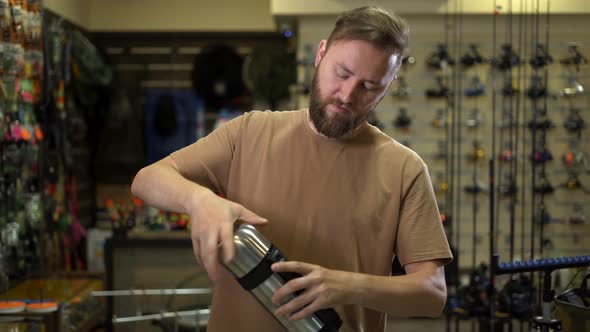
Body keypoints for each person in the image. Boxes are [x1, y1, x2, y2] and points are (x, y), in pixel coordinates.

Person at [131, 5, 453, 332]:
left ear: (389, 83)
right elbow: (148, 179)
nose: (347, 95)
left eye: (369, 86)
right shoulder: (249, 133)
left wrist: (349, 286)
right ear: (321, 54)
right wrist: (199, 200)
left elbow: (432, 292)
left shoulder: (404, 169)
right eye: (342, 73)